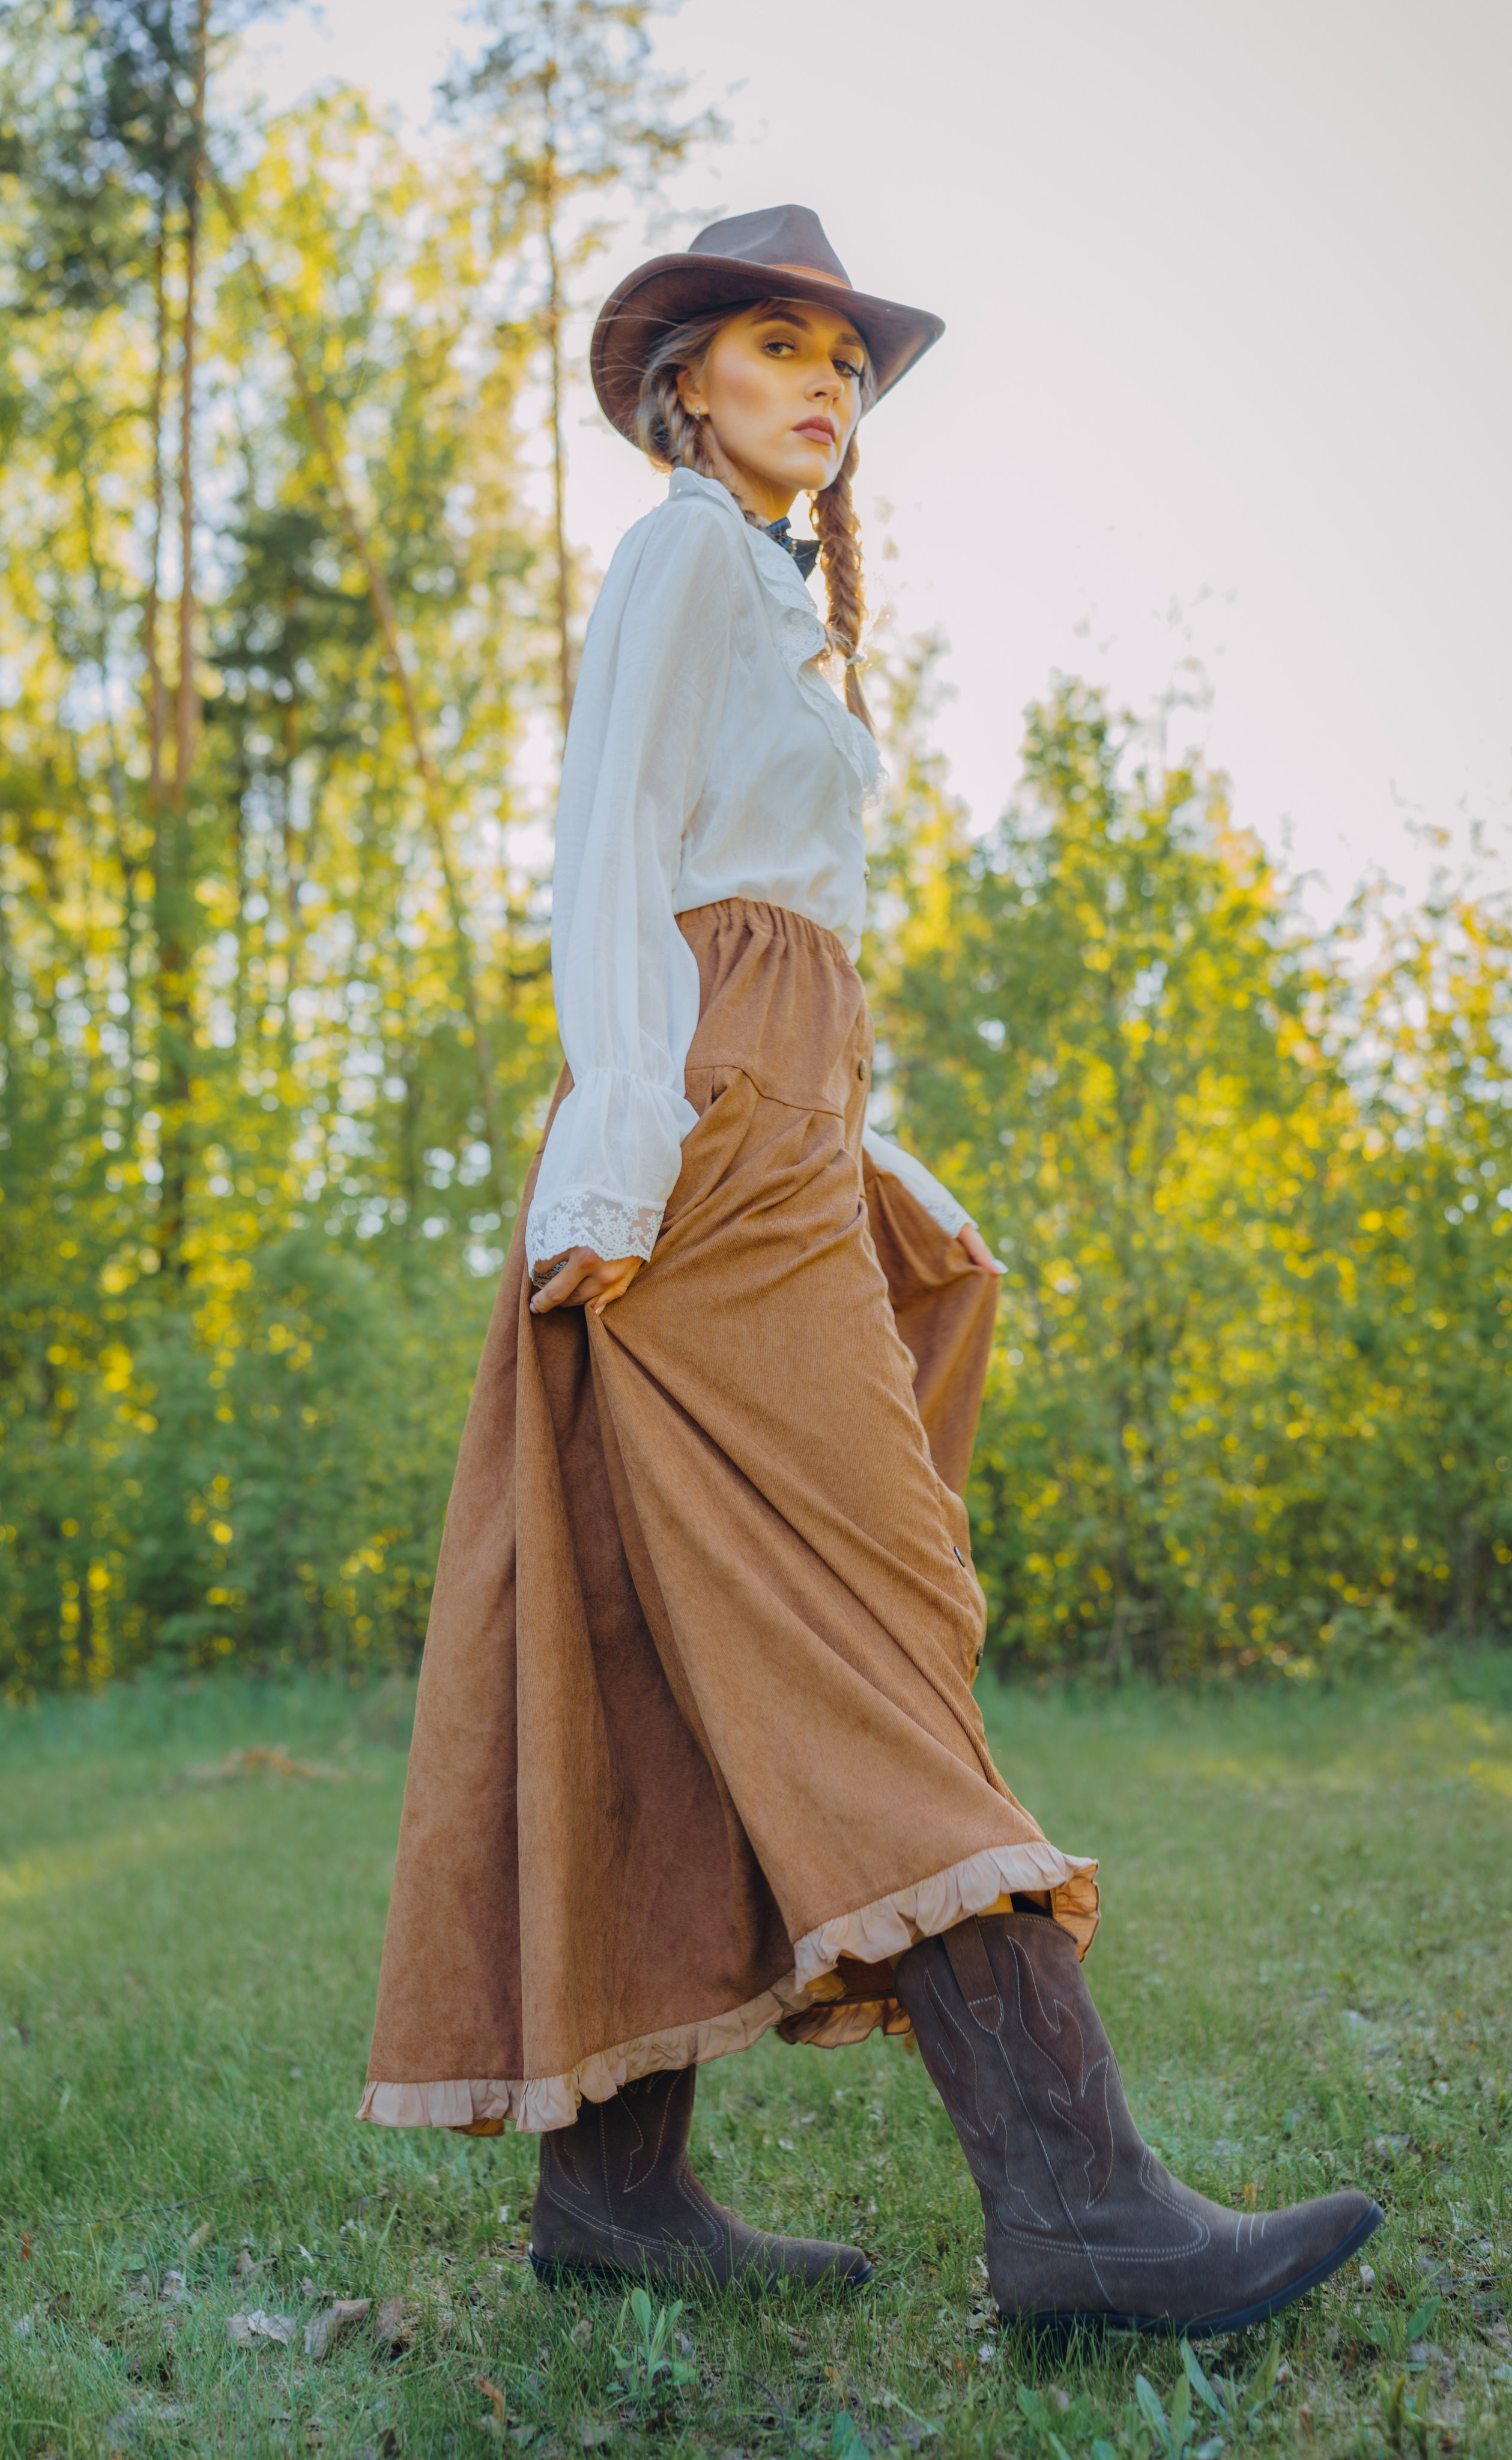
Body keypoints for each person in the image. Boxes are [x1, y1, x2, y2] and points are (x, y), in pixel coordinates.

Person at [361, 205, 1380, 2336]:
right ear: (685, 384)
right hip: (708, 1131)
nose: (822, 381)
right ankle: (1081, 2200)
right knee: (866, 1620)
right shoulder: (672, 556)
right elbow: (615, 851)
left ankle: (618, 2198)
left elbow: (776, 912)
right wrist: (640, 1141)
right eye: (774, 344)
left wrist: (845, 1129)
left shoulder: (774, 593)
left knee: (656, 1627)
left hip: (771, 1106)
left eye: (843, 356)